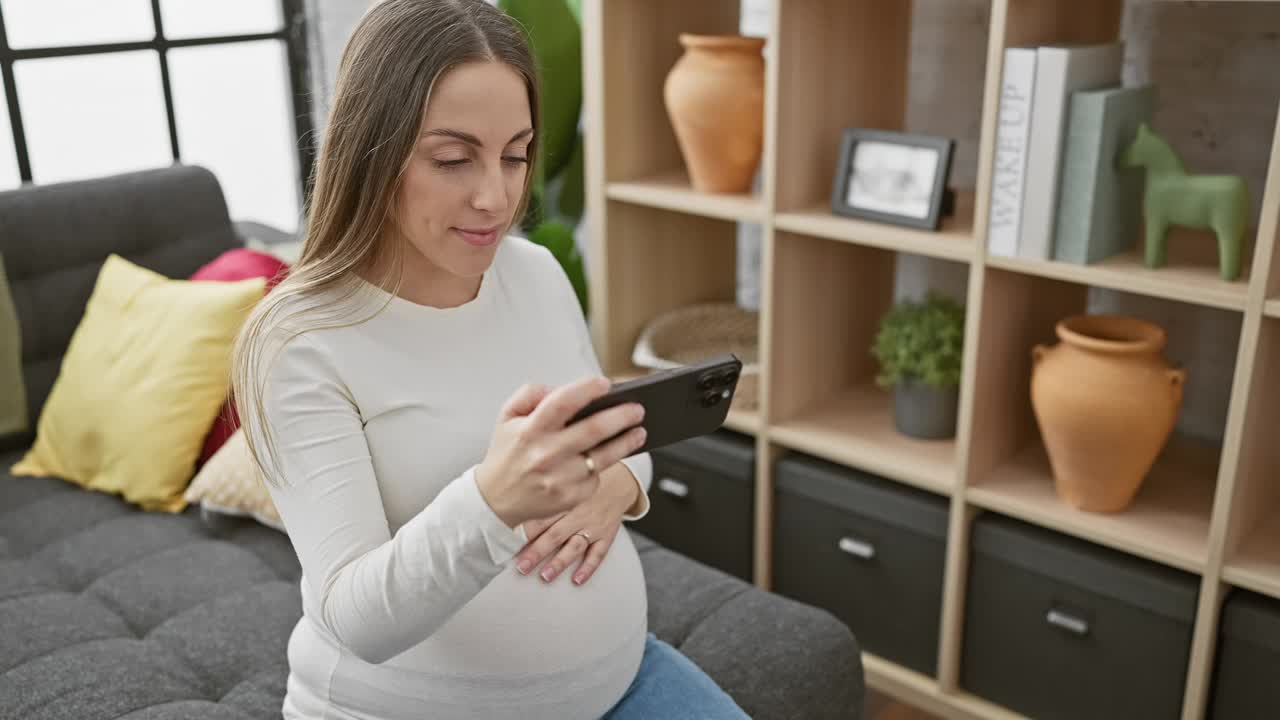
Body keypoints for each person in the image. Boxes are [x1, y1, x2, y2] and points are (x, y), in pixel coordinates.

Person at [229, 1, 751, 718]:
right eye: (453, 159)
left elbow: (617, 445)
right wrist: (495, 497)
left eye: (516, 154)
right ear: (372, 151)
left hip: (625, 680)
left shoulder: (534, 273)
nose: (496, 197)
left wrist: (617, 486)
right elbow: (357, 618)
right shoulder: (298, 341)